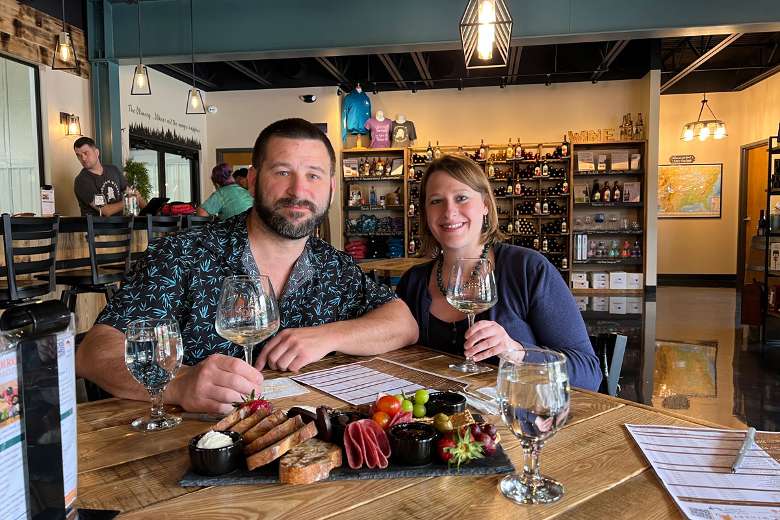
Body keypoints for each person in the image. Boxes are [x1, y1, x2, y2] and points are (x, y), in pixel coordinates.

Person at [76, 118, 418, 413]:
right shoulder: (182, 255)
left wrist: (326, 337)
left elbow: (402, 323)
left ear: (330, 188)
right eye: (282, 172)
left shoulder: (335, 267)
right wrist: (180, 383)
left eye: (313, 176)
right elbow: (95, 351)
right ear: (252, 181)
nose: (298, 190)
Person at [395, 154, 601, 390]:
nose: (449, 211)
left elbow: (589, 374)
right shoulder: (413, 282)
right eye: (436, 201)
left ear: (485, 205)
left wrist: (518, 353)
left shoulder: (528, 270)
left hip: (513, 423)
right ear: (425, 213)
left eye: (461, 198)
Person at [73, 137, 145, 216]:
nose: (83, 158)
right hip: (99, 227)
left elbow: (132, 193)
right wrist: (130, 200)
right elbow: (106, 211)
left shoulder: (113, 170)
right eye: (79, 155)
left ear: (96, 153)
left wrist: (150, 213)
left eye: (86, 153)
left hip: (123, 226)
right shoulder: (82, 181)